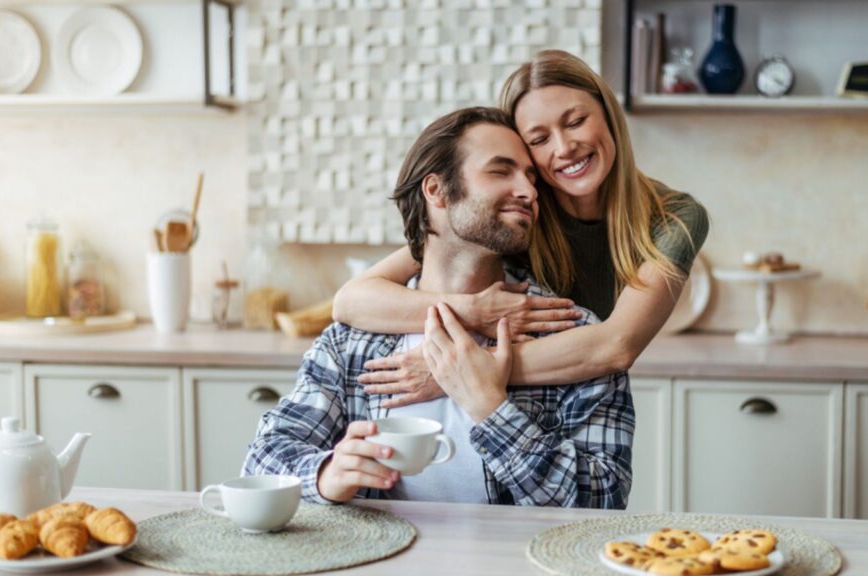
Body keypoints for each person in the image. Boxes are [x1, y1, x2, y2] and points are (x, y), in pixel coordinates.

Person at [243, 107, 634, 509]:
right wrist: (327, 473)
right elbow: (261, 463)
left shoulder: (571, 333)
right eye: (501, 171)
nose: (530, 192)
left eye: (531, 177)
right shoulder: (353, 343)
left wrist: (492, 411)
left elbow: (604, 499)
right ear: (437, 191)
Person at [332, 50, 709, 407]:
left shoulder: (673, 217)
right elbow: (351, 300)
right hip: (522, 397)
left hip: (581, 391)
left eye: (576, 121)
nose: (564, 148)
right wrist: (472, 312)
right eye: (539, 139)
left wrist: (458, 370)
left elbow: (616, 346)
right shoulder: (519, 213)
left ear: (609, 116)